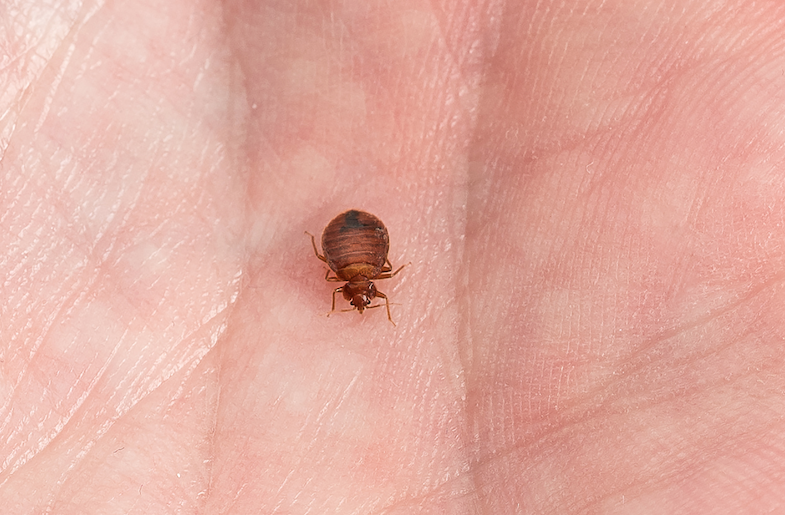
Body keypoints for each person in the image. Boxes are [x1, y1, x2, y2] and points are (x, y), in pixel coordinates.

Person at [2, 0, 783, 513]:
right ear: (360, 282)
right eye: (360, 289)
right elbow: (348, 244)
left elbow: (343, 242)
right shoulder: (358, 267)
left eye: (357, 288)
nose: (358, 290)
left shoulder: (353, 265)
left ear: (355, 280)